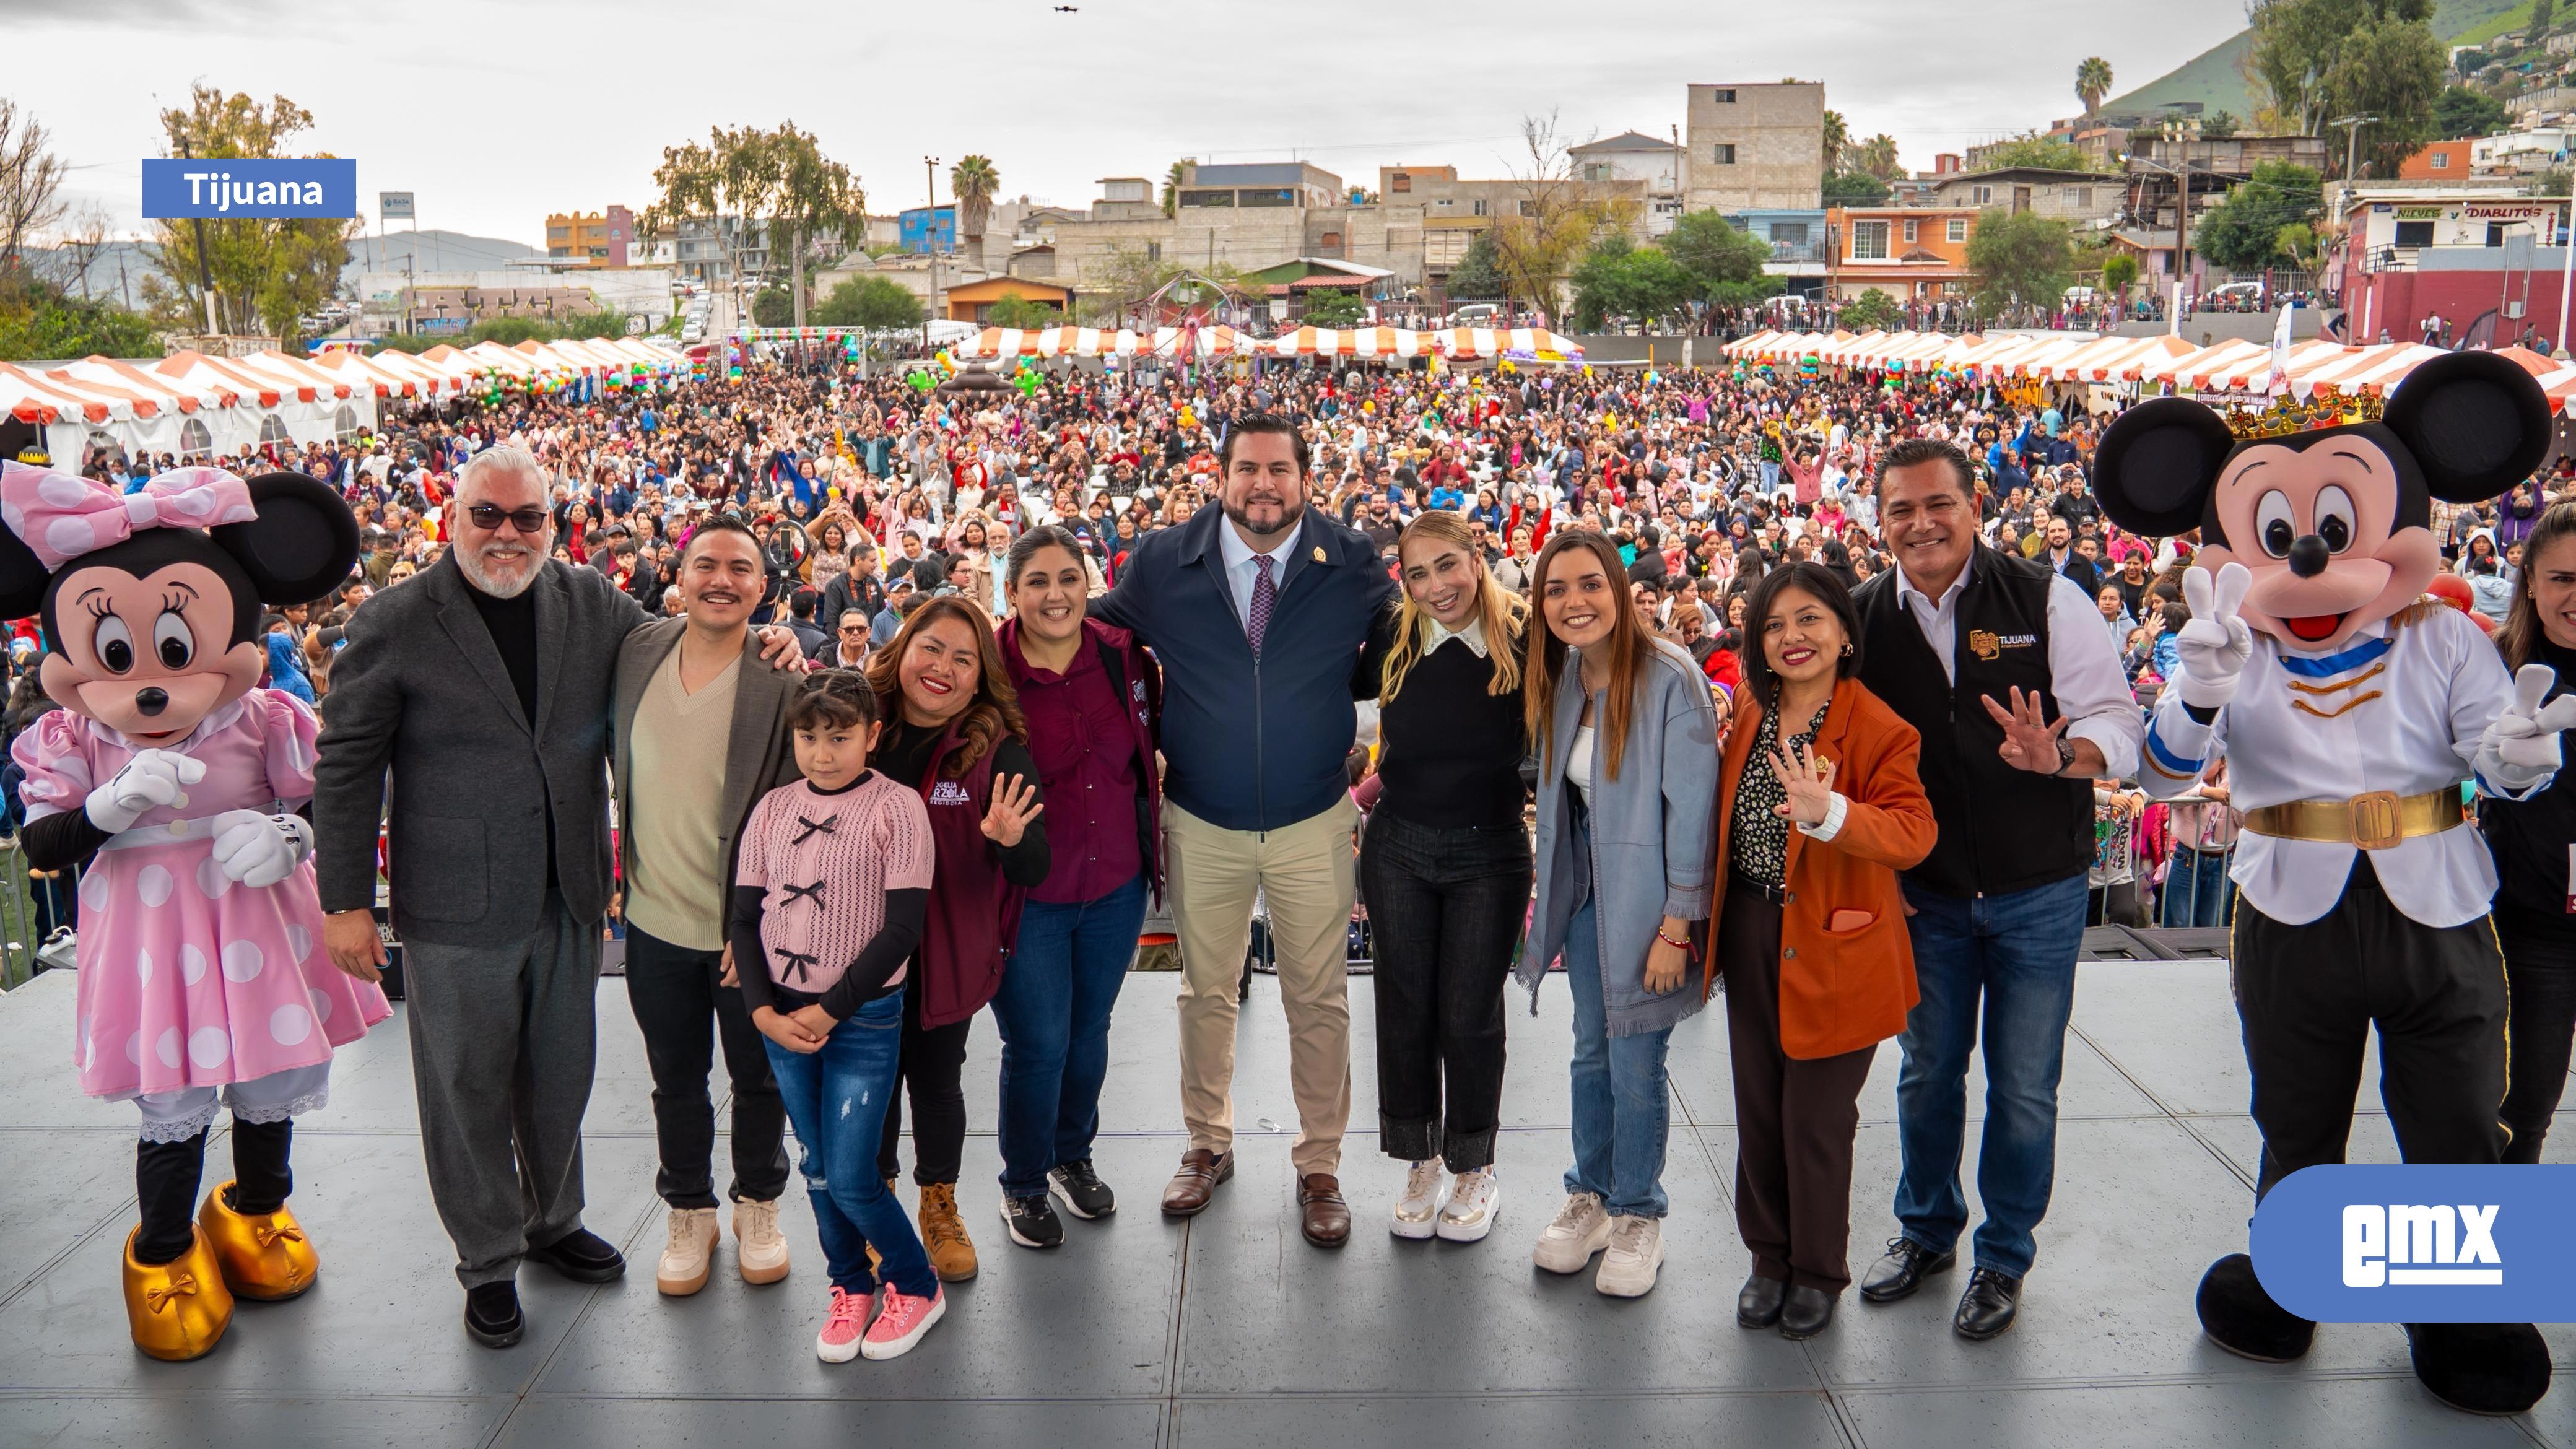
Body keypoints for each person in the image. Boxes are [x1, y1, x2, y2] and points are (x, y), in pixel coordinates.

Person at [315, 445, 801, 1347]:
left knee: (559, 1075)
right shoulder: (396, 619)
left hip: (571, 893)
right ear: (452, 518)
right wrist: (343, 900)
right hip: (455, 904)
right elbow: (345, 763)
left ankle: (552, 1221)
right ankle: (487, 1259)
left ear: (552, 523)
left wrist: (774, 641)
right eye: (487, 515)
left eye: (527, 517)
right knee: (465, 1089)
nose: (507, 533)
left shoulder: (591, 603)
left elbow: (690, 639)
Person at [4, 461, 388, 1362]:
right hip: (150, 941)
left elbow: (323, 801)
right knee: (172, 1102)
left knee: (265, 1083)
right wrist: (107, 807)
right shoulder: (72, 737)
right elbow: (44, 843)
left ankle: (256, 1212)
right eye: (116, 655)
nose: (149, 686)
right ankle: (165, 1253)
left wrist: (290, 835)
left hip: (257, 919)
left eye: (176, 647)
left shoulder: (264, 719)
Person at [1850, 437, 2141, 1342]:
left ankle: (2003, 1255)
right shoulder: (1860, 618)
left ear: (1975, 508)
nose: (1921, 524)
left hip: (2037, 890)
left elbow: (2116, 721)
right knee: (1927, 1073)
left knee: (2023, 1085)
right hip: (1925, 894)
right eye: (1901, 509)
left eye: (1937, 503)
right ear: (1880, 523)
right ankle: (1925, 1230)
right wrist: (1877, 868)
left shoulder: (2047, 599)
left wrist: (2062, 755)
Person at [1092, 413, 1397, 1250]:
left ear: (1306, 479)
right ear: (1220, 476)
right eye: (1248, 469)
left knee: (1319, 999)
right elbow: (1083, 632)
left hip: (1312, 819)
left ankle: (1320, 1163)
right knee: (1205, 993)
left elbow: (1409, 639)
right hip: (1202, 819)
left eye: (1280, 470)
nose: (1264, 485)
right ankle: (1207, 1143)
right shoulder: (1163, 561)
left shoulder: (1352, 561)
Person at [1706, 562, 1934, 1341]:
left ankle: (1815, 1271)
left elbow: (1913, 834)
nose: (1790, 637)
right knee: (1757, 1107)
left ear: (1843, 632)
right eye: (1773, 625)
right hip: (1750, 928)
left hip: (1837, 947)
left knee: (1814, 1119)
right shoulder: (1750, 709)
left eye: (1808, 619)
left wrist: (1830, 811)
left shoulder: (1878, 727)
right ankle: (1768, 1259)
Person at [1517, 530, 1721, 1298]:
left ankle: (1639, 1211)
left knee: (1637, 1059)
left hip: (1651, 900)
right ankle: (1591, 1195)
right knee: (1589, 1051)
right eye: (1556, 589)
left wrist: (1677, 924)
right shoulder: (1563, 675)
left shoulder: (1670, 677)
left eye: (1589, 584)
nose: (1574, 602)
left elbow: (1693, 811)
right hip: (1585, 894)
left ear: (1618, 589)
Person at [609, 516, 803, 1297]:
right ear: (678, 577)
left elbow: (796, 817)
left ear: (763, 587)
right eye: (706, 565)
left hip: (741, 933)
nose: (721, 580)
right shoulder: (636, 652)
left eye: (739, 568)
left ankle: (758, 1203)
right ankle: (689, 1210)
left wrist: (757, 923)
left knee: (758, 1079)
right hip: (654, 923)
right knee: (675, 1080)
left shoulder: (783, 677)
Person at [730, 671, 945, 1362]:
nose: (822, 754)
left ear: (872, 736)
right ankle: (850, 1283)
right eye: (809, 737)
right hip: (781, 1018)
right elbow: (744, 918)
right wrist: (762, 1012)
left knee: (853, 1175)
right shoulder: (771, 809)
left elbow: (902, 928)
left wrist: (829, 1010)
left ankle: (917, 1284)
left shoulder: (898, 808)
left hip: (863, 1018)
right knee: (817, 1165)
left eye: (840, 738)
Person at [864, 597, 1050, 1282]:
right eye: (932, 648)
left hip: (945, 955)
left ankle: (938, 1202)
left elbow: (1034, 865)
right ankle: (875, 1204)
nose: (942, 667)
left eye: (963, 659)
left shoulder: (997, 753)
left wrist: (1009, 840)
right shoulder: (858, 725)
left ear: (980, 679)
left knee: (937, 1082)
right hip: (859, 951)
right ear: (902, 651)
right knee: (872, 1085)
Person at [988, 525, 1162, 1248]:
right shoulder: (987, 670)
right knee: (1037, 1044)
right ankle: (1023, 1184)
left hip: (1115, 882)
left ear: (1089, 584)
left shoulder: (1123, 657)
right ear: (1011, 592)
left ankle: (1070, 1155)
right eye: (1038, 581)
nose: (1055, 595)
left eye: (1068, 578)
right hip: (1027, 896)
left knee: (1088, 1032)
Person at [1365, 512, 1533, 1243]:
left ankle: (1473, 1167)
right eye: (1417, 573)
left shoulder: (1527, 637)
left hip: (1489, 851)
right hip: (1397, 846)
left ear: (1476, 557)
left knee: (1469, 1014)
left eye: (1446, 566)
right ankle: (1421, 1159)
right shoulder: (1390, 635)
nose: (1435, 586)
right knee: (1404, 1010)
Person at [2481, 502, 2576, 1164]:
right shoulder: (2495, 662)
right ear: (2531, 584)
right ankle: (2505, 1226)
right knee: (2520, 1116)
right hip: (2532, 926)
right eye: (2563, 578)